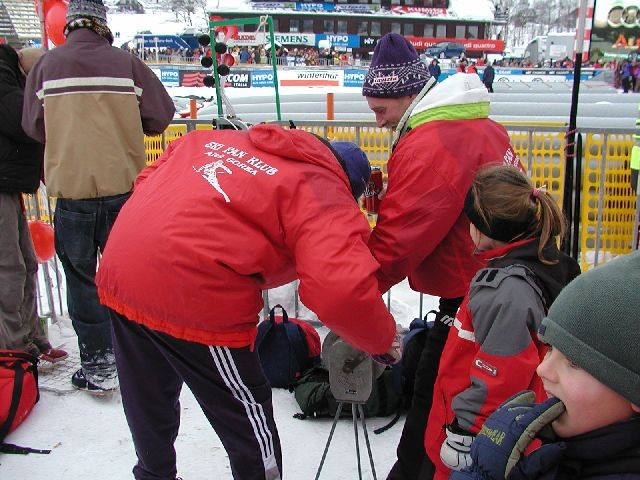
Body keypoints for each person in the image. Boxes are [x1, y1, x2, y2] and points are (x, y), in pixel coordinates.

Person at [94, 124, 401, 480]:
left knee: (146, 395)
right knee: (246, 413)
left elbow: (148, 179)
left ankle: (153, 474)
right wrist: (380, 342)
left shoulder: (214, 139)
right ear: (350, 186)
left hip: (123, 266)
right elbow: (341, 288)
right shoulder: (323, 188)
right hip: (196, 290)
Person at [362, 32, 520, 480]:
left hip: (477, 293)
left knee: (435, 398)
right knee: (466, 398)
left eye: (380, 110)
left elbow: (398, 241)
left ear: (407, 93)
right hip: (504, 282)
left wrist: (351, 294)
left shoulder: (432, 143)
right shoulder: (477, 124)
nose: (377, 123)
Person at [21, 0, 175, 393]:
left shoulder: (45, 68)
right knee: (133, 277)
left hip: (71, 195)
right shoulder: (126, 65)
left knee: (82, 282)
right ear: (103, 25)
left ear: (69, 26)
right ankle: (144, 361)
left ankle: (99, 365)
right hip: (125, 194)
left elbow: (33, 127)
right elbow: (160, 116)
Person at [425, 165, 581, 480]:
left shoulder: (507, 292)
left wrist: (465, 434)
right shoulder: (540, 263)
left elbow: (501, 376)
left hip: (480, 443)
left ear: (483, 229)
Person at [450, 251, 640, 480]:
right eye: (549, 348)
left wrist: (482, 475)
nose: (543, 370)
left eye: (573, 362)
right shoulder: (568, 451)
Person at [0, 45, 67, 366]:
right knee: (9, 269)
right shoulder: (4, 78)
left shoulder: (12, 79)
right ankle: (13, 347)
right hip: (3, 187)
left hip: (9, 186)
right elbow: (22, 122)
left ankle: (30, 338)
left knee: (27, 264)